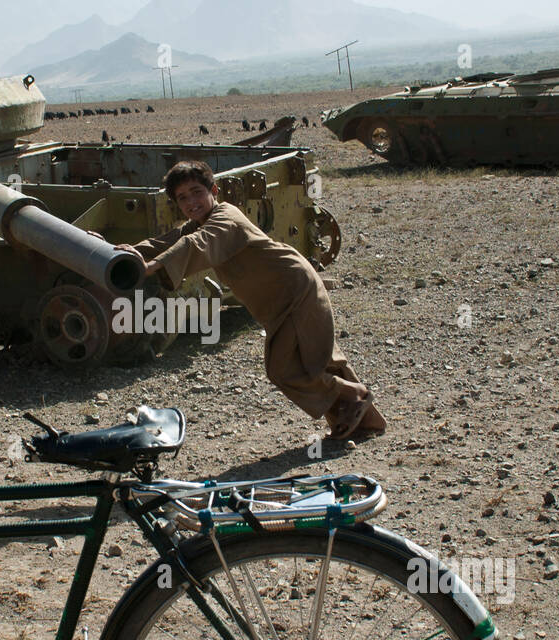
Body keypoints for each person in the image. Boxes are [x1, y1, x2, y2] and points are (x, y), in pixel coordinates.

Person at [119, 160, 385, 439]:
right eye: (182, 197)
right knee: (316, 358)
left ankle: (356, 394)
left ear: (214, 190)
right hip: (277, 299)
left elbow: (195, 244)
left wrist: (152, 267)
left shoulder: (226, 217)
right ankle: (366, 423)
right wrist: (121, 251)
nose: (191, 202)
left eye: (197, 192)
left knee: (285, 368)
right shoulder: (199, 223)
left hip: (292, 288)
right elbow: (167, 241)